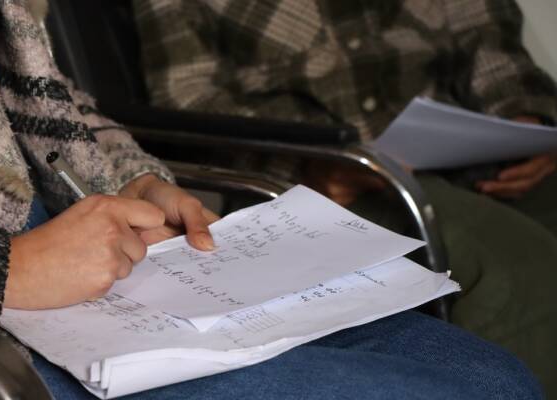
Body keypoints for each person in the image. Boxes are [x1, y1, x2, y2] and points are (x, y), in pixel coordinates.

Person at [0, 1, 544, 399]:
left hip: (73, 243)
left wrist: (130, 179)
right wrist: (12, 269)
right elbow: (189, 94)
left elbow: (43, 93)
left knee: (496, 378)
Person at [132, 0, 557, 397]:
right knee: (520, 272)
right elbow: (186, 98)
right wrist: (306, 161)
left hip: (465, 142)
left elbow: (488, 35)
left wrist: (526, 117)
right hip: (322, 175)